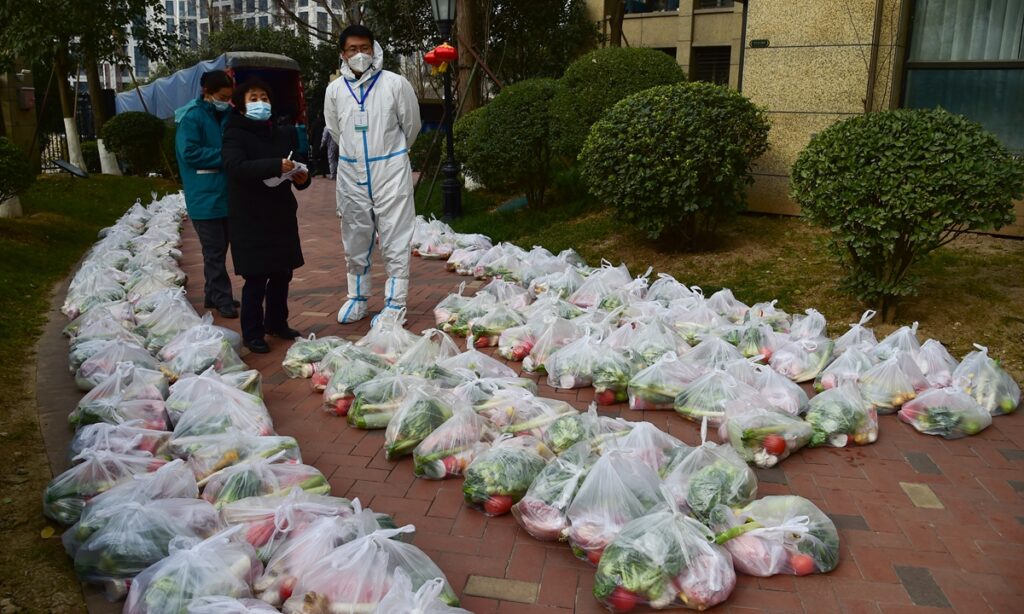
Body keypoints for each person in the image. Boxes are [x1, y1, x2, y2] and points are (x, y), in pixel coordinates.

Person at [324, 24, 421, 326]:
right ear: (343, 54)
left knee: (394, 233)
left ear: (374, 48)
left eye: (364, 47)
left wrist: (390, 154)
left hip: (389, 167)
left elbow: (412, 126)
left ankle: (395, 302)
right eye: (352, 49)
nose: (359, 54)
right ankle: (358, 297)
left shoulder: (395, 83)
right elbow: (335, 129)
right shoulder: (335, 90)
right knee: (355, 234)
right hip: (351, 170)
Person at [221, 78, 311, 354]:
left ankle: (277, 322)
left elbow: (296, 169)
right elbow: (235, 167)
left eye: (264, 97)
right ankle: (253, 332)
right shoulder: (234, 133)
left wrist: (300, 177)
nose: (261, 103)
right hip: (251, 216)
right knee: (256, 277)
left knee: (282, 273)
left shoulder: (281, 133)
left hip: (280, 212)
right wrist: (274, 165)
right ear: (240, 104)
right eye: (254, 98)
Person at [174, 69, 239, 318]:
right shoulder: (192, 118)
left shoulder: (228, 115)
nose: (226, 101)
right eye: (222, 96)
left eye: (229, 97)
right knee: (213, 251)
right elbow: (189, 153)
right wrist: (225, 156)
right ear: (207, 93)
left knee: (221, 249)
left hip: (226, 194)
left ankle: (213, 294)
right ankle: (222, 298)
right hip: (204, 195)